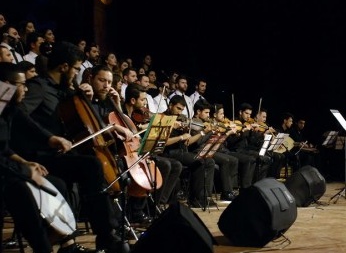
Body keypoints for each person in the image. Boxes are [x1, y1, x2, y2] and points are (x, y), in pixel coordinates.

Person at [9, 42, 127, 252]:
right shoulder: (39, 87)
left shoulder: (65, 91)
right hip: (38, 154)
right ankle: (104, 234)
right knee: (90, 166)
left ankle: (106, 234)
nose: (76, 74)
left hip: (58, 154)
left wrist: (85, 98)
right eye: (75, 69)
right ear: (64, 67)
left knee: (90, 166)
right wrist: (48, 137)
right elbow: (19, 117)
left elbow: (81, 122)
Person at [0, 62, 95, 253]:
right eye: (21, 84)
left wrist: (25, 162)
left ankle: (64, 240)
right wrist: (26, 172)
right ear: (4, 85)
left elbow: (4, 149)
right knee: (21, 190)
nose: (26, 88)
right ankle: (43, 246)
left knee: (56, 183)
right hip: (4, 174)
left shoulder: (9, 111)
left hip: (8, 168)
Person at [122, 83, 182, 220]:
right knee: (164, 165)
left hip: (142, 151)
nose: (145, 104)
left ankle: (158, 203)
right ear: (132, 101)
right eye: (143, 100)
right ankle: (143, 207)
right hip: (130, 153)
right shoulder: (123, 115)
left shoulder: (138, 115)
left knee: (176, 165)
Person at [163, 95, 216, 208]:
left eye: (182, 110)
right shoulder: (164, 118)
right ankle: (195, 198)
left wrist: (187, 133)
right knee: (199, 162)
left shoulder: (182, 119)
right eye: (178, 108)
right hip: (170, 152)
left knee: (205, 161)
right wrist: (181, 137)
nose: (180, 113)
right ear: (170, 105)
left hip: (181, 151)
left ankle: (201, 197)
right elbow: (163, 142)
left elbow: (187, 143)